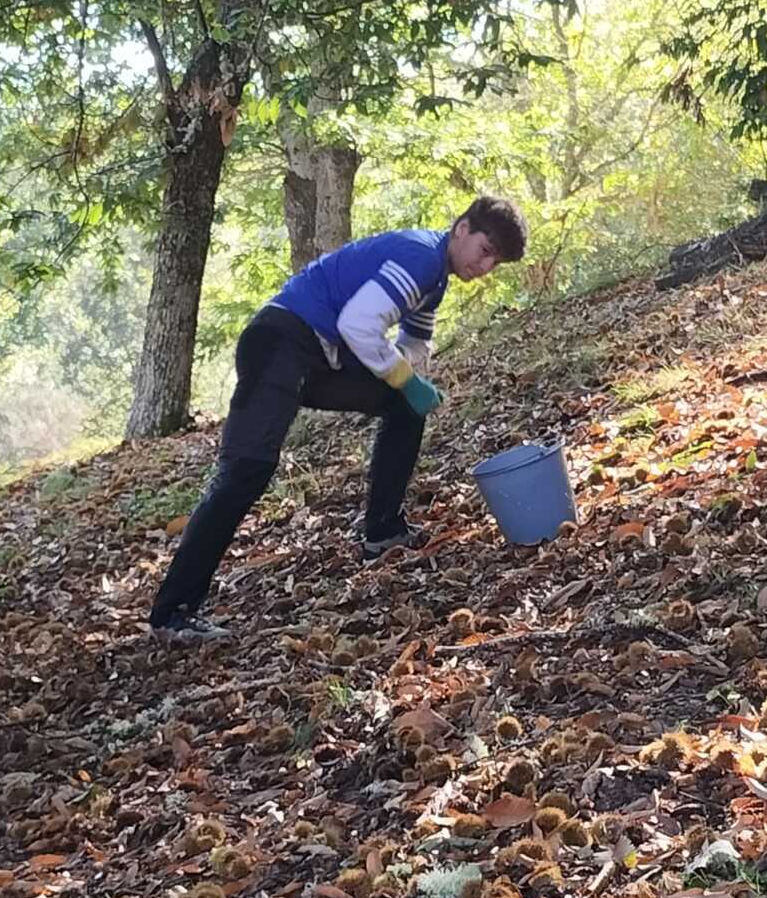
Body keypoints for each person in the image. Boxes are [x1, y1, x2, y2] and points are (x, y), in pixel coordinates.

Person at [147, 195, 528, 641]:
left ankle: (383, 532)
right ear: (461, 229)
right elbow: (359, 325)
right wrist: (406, 379)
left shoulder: (435, 278)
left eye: (495, 262)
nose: (485, 267)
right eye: (485, 251)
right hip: (280, 340)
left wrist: (414, 382)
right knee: (247, 468)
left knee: (404, 408)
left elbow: (414, 342)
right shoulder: (420, 256)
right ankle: (173, 611)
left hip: (318, 355)